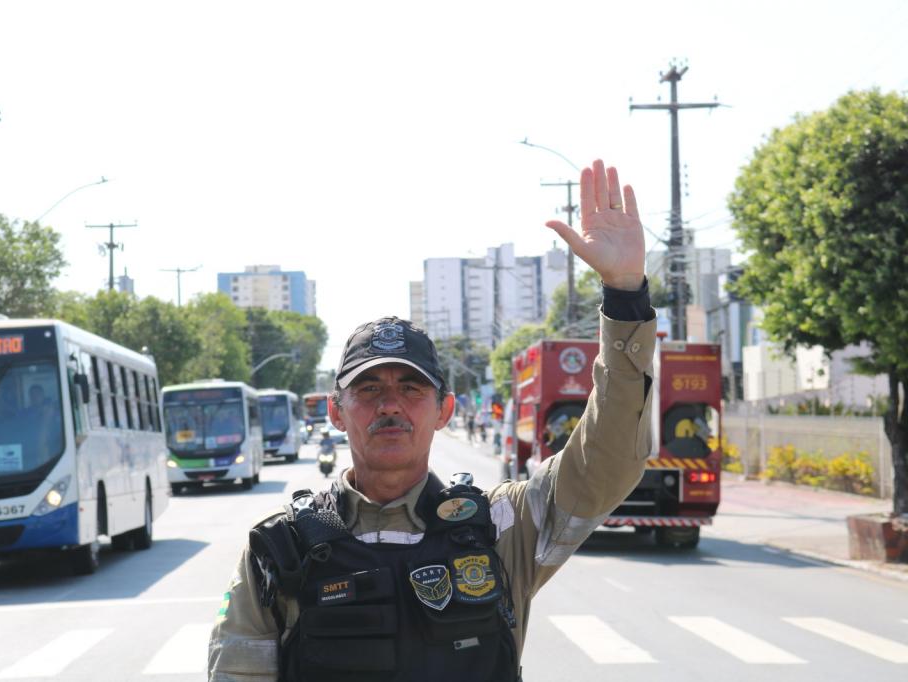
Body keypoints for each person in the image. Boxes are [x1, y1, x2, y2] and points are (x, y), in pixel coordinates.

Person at [208, 159, 655, 682]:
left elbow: (608, 459)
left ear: (444, 410)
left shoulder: (500, 528)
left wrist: (625, 297)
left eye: (411, 388)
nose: (390, 405)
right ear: (335, 412)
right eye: (369, 389)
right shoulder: (278, 550)